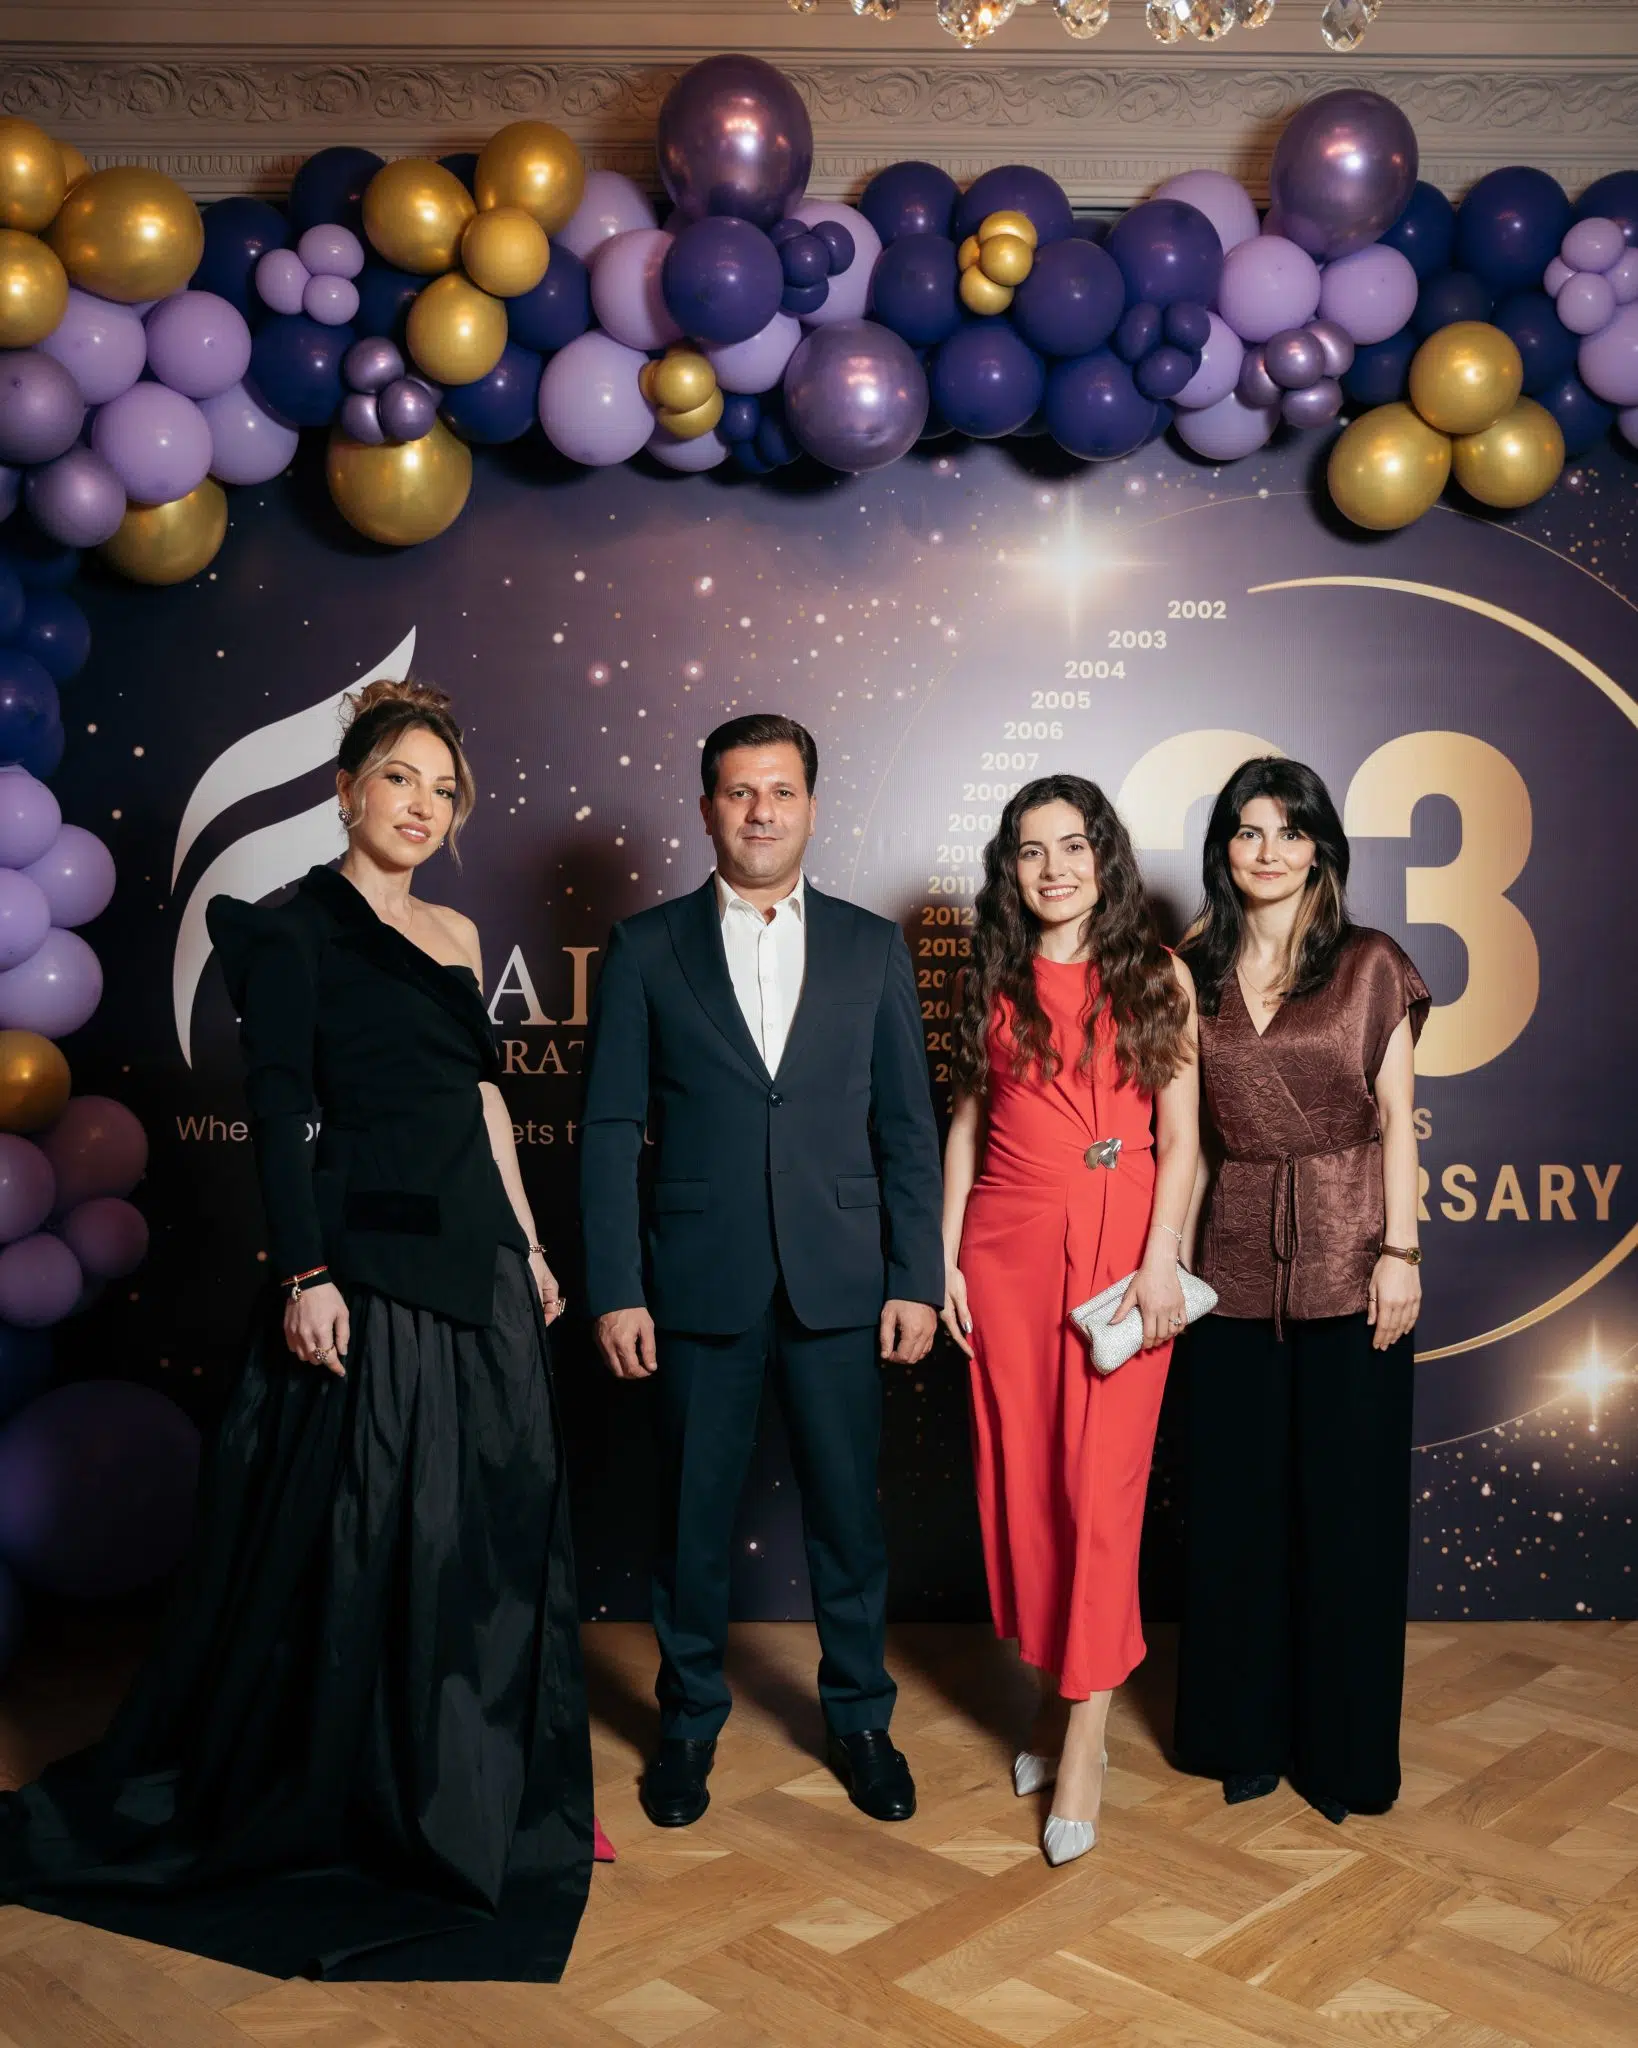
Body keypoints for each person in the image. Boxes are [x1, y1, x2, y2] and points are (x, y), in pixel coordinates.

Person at [0, 680, 596, 1981]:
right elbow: (277, 1113)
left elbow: (482, 1103)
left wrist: (533, 1243)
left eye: (444, 789)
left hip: (483, 1263)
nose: (423, 805)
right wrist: (307, 1272)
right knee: (371, 1535)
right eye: (401, 778)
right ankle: (358, 1791)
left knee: (484, 1531)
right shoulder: (283, 927)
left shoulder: (455, 930)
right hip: (367, 1266)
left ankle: (472, 1772)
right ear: (346, 787)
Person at [582, 713, 944, 1829]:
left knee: (848, 1520)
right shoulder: (646, 946)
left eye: (781, 790)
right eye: (740, 791)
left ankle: (862, 1720)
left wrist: (916, 1276)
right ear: (707, 809)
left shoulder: (871, 946)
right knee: (691, 1521)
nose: (761, 811)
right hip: (697, 1281)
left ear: (812, 807)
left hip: (842, 1278)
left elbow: (908, 1128)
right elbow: (610, 1130)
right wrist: (617, 1286)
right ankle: (688, 1723)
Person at [940, 776, 1198, 1867]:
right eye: (1033, 850)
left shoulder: (1158, 973)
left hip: (1120, 1253)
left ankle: (1086, 1735)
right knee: (1032, 1486)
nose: (1056, 867)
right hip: (1005, 1250)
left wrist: (1161, 1259)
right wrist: (943, 1257)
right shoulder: (989, 977)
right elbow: (965, 1124)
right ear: (1012, 868)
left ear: (1107, 858)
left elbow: (1184, 1138)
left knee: (1102, 1491)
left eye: (1075, 845)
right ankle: (1056, 1694)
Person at [1175, 756, 1428, 1825]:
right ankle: (1239, 1736)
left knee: (1349, 1519)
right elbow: (1187, 1141)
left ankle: (1345, 1755)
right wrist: (1171, 1263)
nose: (1268, 849)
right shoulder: (1189, 972)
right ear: (1223, 849)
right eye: (1247, 830)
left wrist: (1401, 1253)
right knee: (1236, 1516)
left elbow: (1397, 1117)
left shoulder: (1372, 964)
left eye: (1289, 829)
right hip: (1230, 1266)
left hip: (1354, 1259)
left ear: (1321, 846)